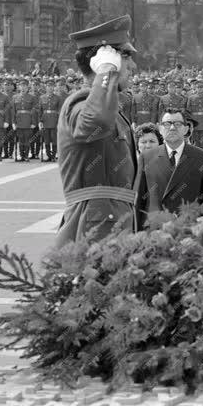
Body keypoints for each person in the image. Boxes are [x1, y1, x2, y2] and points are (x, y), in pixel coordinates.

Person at [56, 15, 138, 248]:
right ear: (103, 58)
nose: (132, 66)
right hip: (96, 225)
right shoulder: (80, 101)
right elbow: (94, 123)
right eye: (126, 56)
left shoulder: (107, 104)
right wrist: (106, 72)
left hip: (112, 218)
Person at [134, 109, 203, 229]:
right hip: (155, 231)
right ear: (160, 128)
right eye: (167, 124)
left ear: (186, 129)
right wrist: (137, 232)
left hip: (189, 231)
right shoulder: (147, 157)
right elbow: (139, 199)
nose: (172, 128)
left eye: (177, 124)